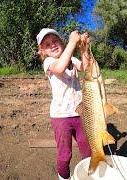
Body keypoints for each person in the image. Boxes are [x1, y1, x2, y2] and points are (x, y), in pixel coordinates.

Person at [36, 28, 91, 180]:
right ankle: (64, 177)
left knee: (87, 149)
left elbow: (85, 68)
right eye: (47, 44)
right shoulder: (49, 62)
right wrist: (73, 42)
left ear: (61, 43)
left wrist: (83, 47)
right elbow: (60, 68)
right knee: (65, 154)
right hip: (61, 117)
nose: (52, 45)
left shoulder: (72, 60)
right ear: (43, 51)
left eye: (55, 41)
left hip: (80, 113)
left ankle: (86, 175)